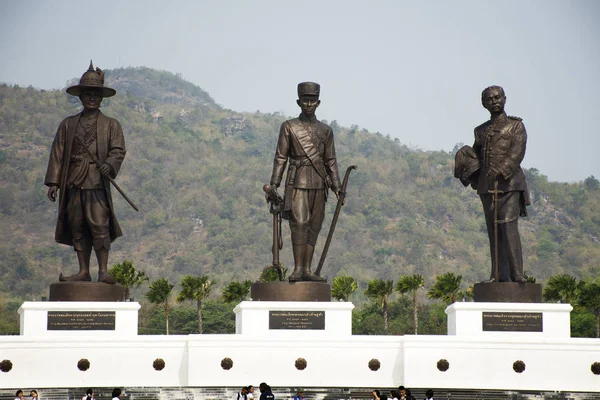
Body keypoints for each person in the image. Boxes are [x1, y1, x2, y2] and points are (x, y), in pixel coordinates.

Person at [45, 61, 127, 284]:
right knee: (77, 225)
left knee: (99, 225)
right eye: (88, 94)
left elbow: (118, 150)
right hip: (73, 182)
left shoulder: (111, 125)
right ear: (80, 97)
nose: (92, 98)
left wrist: (109, 165)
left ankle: (102, 271)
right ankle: (83, 271)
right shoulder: (68, 125)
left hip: (96, 182)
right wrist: (54, 182)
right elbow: (58, 152)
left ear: (101, 98)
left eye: (95, 94)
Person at [454, 85, 529, 283]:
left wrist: (503, 168)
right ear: (484, 103)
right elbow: (478, 156)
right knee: (493, 230)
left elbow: (517, 153)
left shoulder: (516, 126)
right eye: (490, 99)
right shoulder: (480, 131)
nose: (494, 101)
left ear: (504, 99)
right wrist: (465, 156)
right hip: (487, 186)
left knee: (507, 225)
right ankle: (498, 275)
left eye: (497, 97)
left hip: (510, 183)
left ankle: (517, 274)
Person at [269, 82, 341, 282]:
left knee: (314, 225)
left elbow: (331, 160)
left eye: (312, 100)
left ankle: (308, 270)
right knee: (299, 223)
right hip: (297, 181)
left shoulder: (326, 131)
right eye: (305, 100)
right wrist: (274, 183)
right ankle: (298, 269)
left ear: (318, 103)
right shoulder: (289, 127)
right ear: (298, 102)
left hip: (319, 183)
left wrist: (337, 186)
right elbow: (281, 157)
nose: (309, 104)